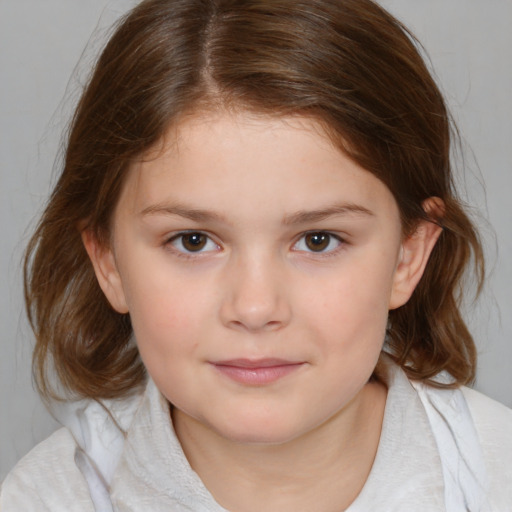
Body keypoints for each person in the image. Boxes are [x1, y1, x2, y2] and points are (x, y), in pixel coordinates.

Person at [1, 0, 511, 510]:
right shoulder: (45, 498)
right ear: (108, 261)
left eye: (318, 240)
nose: (255, 307)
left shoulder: (497, 475)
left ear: (408, 255)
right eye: (193, 241)